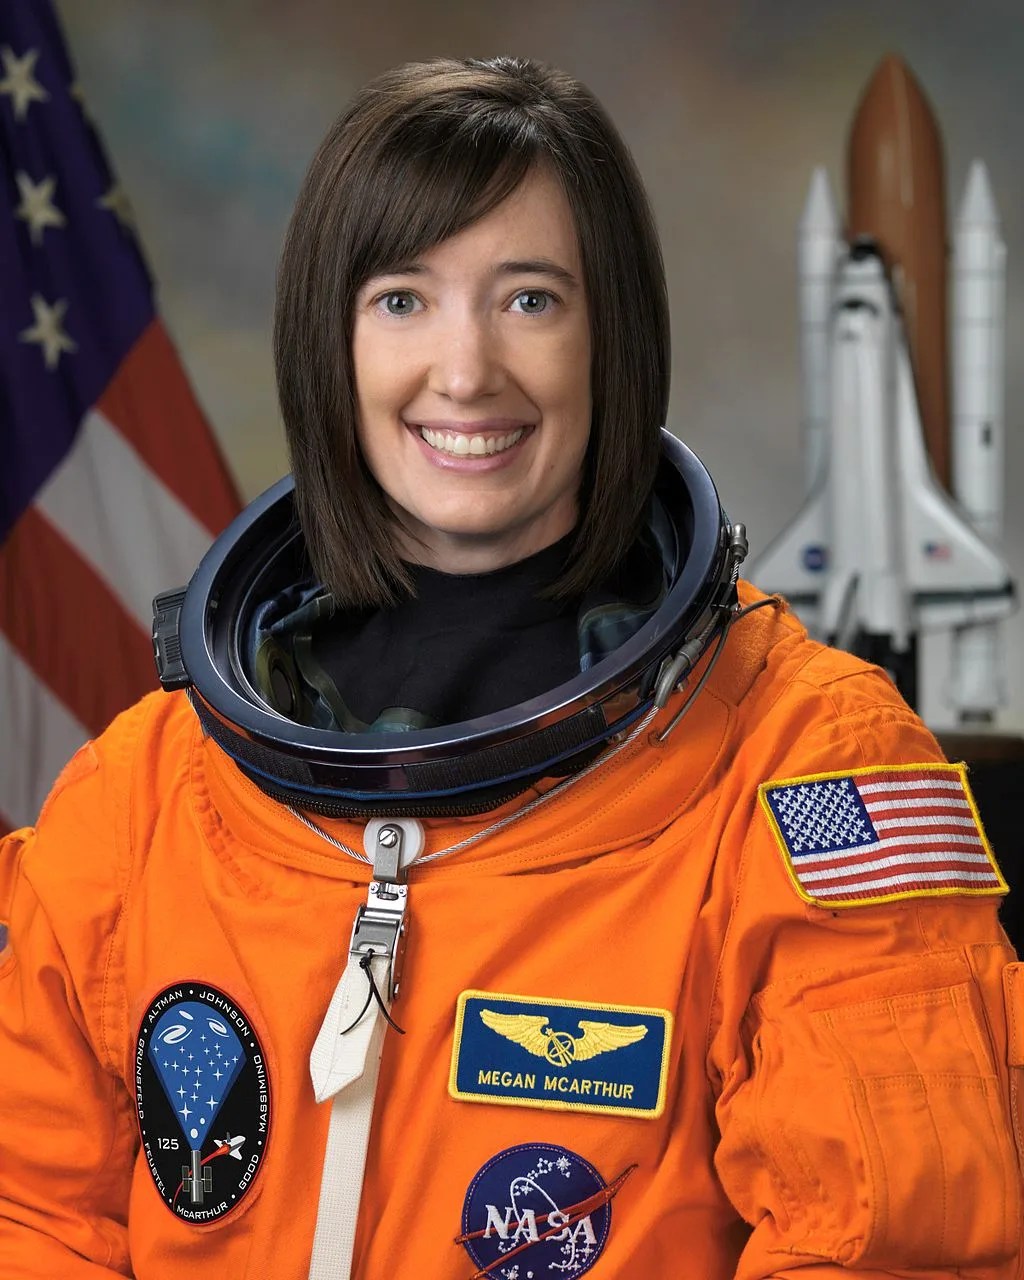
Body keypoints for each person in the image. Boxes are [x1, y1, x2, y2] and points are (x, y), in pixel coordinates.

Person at [0, 55, 1021, 1280]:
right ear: (329, 341)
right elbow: (34, 1219)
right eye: (401, 299)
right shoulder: (147, 796)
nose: (466, 369)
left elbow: (888, 1245)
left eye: (529, 300)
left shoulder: (805, 761)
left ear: (613, 338)